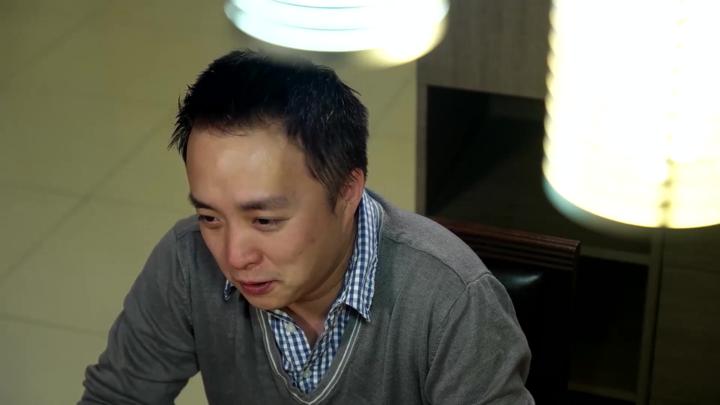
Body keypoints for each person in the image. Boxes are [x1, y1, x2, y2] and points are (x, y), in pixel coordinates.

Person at [80, 50, 533, 404]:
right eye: (210, 217)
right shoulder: (186, 261)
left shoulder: (450, 301)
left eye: (264, 220)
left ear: (347, 192)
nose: (234, 256)